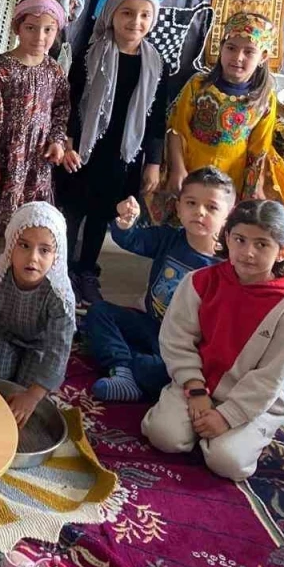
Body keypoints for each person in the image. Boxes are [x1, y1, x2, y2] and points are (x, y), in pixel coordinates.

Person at [142, 200, 284, 482]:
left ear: (283, 251)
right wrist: (195, 389)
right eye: (240, 240)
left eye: (262, 244)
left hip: (252, 400)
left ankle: (232, 432)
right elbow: (176, 339)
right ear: (227, 238)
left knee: (227, 462)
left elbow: (270, 377)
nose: (248, 252)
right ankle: (199, 425)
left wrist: (228, 416)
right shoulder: (199, 281)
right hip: (197, 385)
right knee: (164, 436)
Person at [58, 0, 169, 305]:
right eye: (127, 13)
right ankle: (63, 270)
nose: (136, 21)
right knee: (73, 210)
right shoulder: (90, 55)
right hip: (85, 150)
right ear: (112, 14)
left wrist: (153, 162)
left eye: (145, 15)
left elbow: (157, 119)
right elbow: (71, 102)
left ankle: (86, 271)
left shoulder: (156, 64)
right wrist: (68, 142)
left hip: (124, 156)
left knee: (101, 215)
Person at [88, 167, 235, 403]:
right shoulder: (169, 238)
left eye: (212, 207)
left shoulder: (228, 266)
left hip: (185, 347)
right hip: (153, 325)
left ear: (228, 216)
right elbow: (133, 239)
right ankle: (123, 371)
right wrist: (126, 222)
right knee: (98, 312)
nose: (199, 212)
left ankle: (131, 364)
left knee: (151, 369)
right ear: (178, 207)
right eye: (191, 203)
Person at [0, 0, 70, 283]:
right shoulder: (2, 68)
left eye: (48, 29)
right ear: (17, 28)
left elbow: (61, 109)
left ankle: (18, 264)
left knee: (29, 210)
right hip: (5, 153)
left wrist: (57, 141)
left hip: (36, 157)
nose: (40, 36)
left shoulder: (54, 70)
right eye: (31, 28)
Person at [163, 12, 284, 212]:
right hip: (191, 170)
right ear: (221, 48)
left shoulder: (265, 99)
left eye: (249, 51)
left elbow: (259, 150)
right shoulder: (198, 86)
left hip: (231, 179)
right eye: (231, 48)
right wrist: (177, 169)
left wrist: (252, 188)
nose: (238, 57)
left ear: (263, 56)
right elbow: (176, 130)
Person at [0, 201, 76, 427]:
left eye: (44, 250)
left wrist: (33, 396)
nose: (33, 258)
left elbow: (58, 349)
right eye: (24, 245)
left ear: (56, 255)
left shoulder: (60, 295)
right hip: (5, 336)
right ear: (10, 245)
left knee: (25, 395)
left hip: (39, 346)